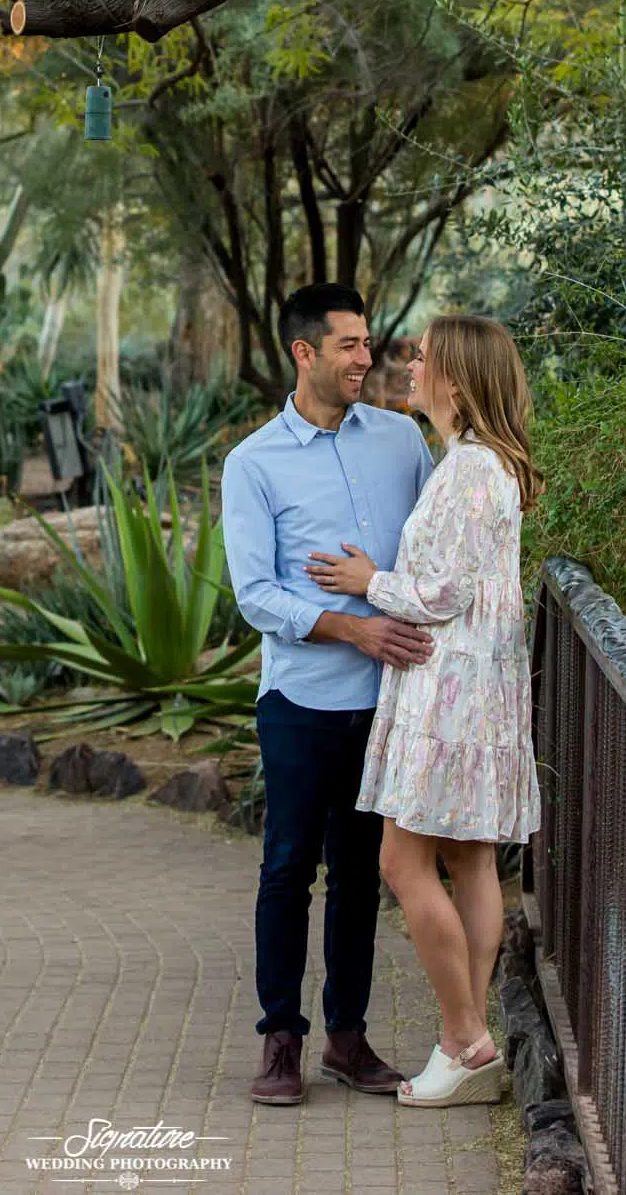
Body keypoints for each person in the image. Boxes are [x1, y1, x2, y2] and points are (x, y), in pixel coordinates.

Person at [306, 315, 541, 1108]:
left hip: (451, 696)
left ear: (459, 381)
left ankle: (466, 1041)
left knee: (402, 864)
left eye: (425, 357)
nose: (409, 365)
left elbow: (441, 594)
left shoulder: (471, 469)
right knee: (469, 860)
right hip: (470, 690)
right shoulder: (477, 462)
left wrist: (366, 581)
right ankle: (463, 1044)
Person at [221, 284, 436, 1108]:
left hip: (390, 701)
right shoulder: (253, 464)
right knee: (286, 870)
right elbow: (255, 595)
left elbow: (430, 552)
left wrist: (390, 609)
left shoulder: (401, 439)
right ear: (303, 352)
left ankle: (348, 1039)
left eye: (367, 342)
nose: (365, 358)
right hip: (302, 702)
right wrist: (355, 630)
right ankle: (281, 1040)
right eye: (349, 345)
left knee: (358, 874)